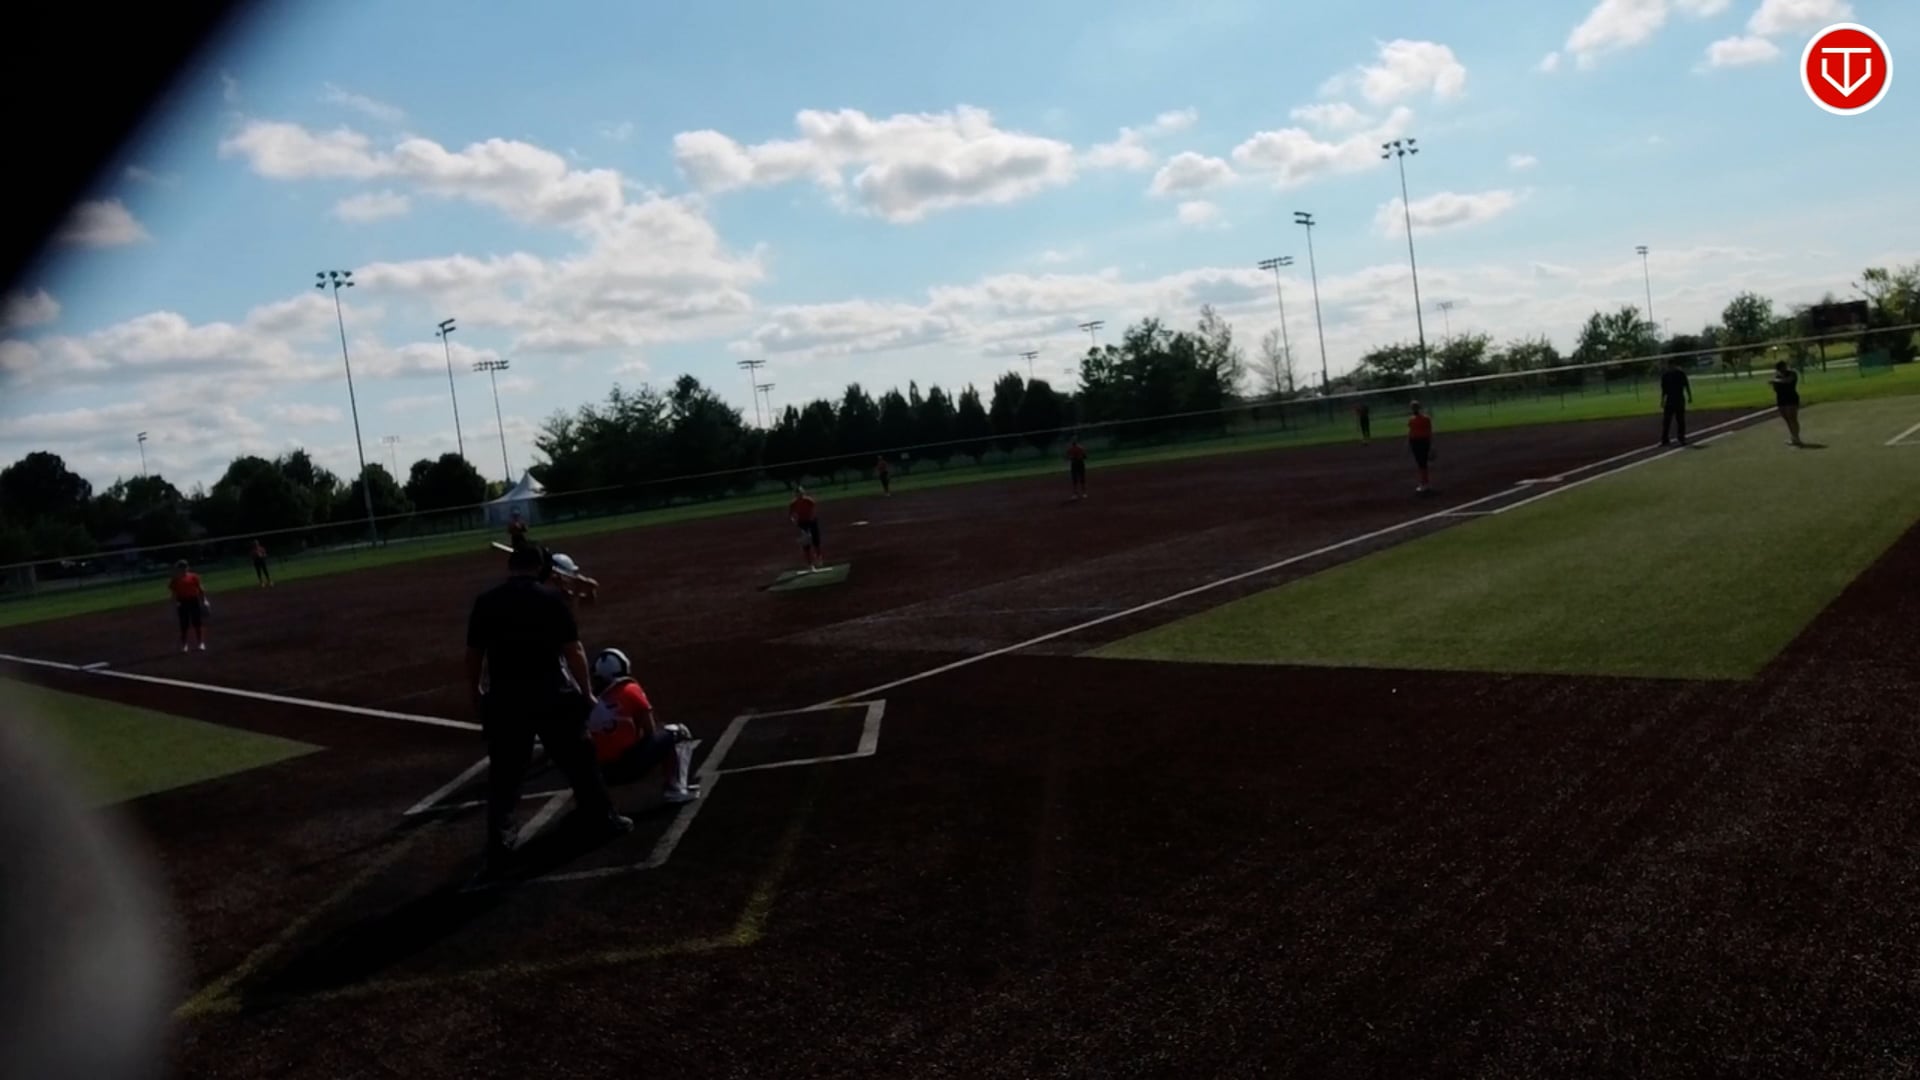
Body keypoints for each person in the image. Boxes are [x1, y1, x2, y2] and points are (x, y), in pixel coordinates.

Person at [465, 543, 631, 872]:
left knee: (505, 775)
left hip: (505, 699)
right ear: (540, 568)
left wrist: (476, 693)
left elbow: (473, 656)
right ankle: (601, 818)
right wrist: (586, 692)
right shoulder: (551, 599)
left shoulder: (486, 602)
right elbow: (574, 650)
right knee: (580, 762)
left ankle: (500, 843)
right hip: (552, 694)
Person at [585, 647, 698, 804]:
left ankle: (592, 802)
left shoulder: (588, 701)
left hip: (597, 775)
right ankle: (676, 789)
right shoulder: (630, 690)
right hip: (628, 768)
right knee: (678, 732)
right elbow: (650, 730)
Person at [168, 560, 208, 653]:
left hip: (194, 601)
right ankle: (184, 645)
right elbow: (174, 594)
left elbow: (200, 589)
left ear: (188, 567)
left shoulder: (194, 576)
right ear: (178, 569)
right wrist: (173, 605)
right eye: (181, 567)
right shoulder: (175, 580)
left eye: (185, 566)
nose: (184, 568)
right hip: (182, 602)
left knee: (197, 622)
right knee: (184, 624)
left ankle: (200, 643)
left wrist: (204, 601)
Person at [1660, 356, 1693, 446]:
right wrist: (1662, 400)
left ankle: (1681, 438)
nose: (1670, 367)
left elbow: (1686, 385)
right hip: (1670, 400)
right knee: (1666, 421)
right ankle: (1665, 439)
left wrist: (1689, 396)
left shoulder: (1680, 374)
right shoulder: (1665, 375)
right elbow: (1664, 390)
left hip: (1679, 399)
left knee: (1680, 420)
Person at [789, 486, 823, 572]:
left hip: (812, 522)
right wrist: (793, 520)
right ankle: (810, 564)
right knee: (806, 544)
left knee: (816, 541)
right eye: (798, 493)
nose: (800, 495)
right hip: (803, 523)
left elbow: (813, 511)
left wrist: (811, 521)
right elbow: (791, 514)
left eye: (801, 493)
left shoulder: (809, 501)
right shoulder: (793, 504)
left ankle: (818, 556)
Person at [1770, 360, 1804, 446]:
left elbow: (1788, 381)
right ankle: (1793, 437)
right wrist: (1775, 383)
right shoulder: (1777, 376)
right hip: (1781, 399)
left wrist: (1775, 381)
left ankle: (1797, 437)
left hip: (1791, 398)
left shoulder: (1792, 373)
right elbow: (1775, 388)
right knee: (1787, 419)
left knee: (1792, 418)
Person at [1408, 401, 1435, 495]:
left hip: (1418, 442)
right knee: (1422, 463)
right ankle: (1425, 482)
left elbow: (1412, 432)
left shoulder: (1413, 419)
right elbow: (1429, 432)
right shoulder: (1425, 418)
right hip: (1421, 442)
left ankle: (1424, 483)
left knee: (1421, 463)